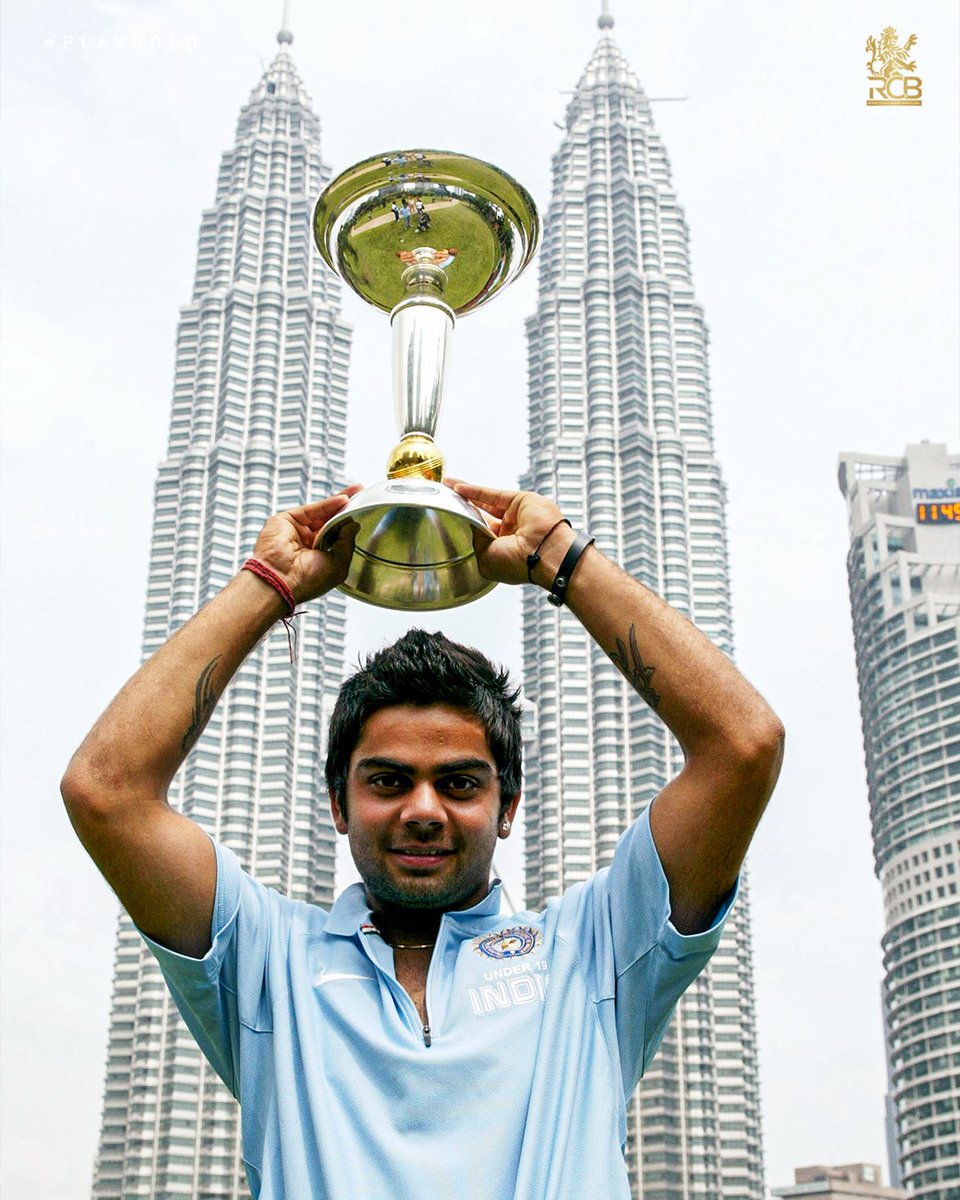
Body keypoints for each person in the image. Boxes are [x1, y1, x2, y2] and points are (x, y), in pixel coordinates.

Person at [62, 481, 784, 1200]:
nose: (424, 810)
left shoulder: (591, 952)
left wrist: (557, 554)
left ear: (509, 807)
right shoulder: (268, 960)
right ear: (338, 804)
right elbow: (107, 790)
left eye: (462, 783)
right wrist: (270, 582)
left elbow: (743, 746)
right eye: (387, 781)